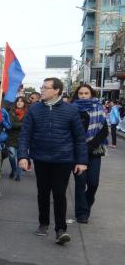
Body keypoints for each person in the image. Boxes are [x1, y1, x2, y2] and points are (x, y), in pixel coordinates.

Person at [18, 77, 87, 245]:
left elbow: (79, 138)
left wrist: (81, 160)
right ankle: (43, 224)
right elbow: (25, 135)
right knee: (42, 192)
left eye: (46, 87)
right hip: (41, 158)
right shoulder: (34, 110)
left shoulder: (70, 111)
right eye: (42, 87)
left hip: (63, 159)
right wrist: (23, 156)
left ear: (56, 90)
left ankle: (61, 229)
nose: (42, 90)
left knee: (59, 193)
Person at [71, 84, 109, 224]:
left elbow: (104, 131)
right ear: (77, 95)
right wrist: (80, 146)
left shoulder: (99, 109)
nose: (83, 96)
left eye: (86, 93)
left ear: (91, 94)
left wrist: (90, 145)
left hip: (94, 151)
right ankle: (82, 214)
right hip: (77, 152)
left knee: (93, 183)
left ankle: (87, 204)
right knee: (80, 184)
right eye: (81, 93)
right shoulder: (72, 109)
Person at [6, 97, 28, 181]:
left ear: (24, 103)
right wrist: (23, 124)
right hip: (11, 138)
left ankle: (18, 175)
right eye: (18, 101)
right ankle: (14, 169)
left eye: (21, 101)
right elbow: (12, 124)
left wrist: (20, 124)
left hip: (23, 138)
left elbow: (28, 125)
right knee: (12, 156)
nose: (19, 103)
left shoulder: (28, 113)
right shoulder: (11, 112)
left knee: (20, 157)